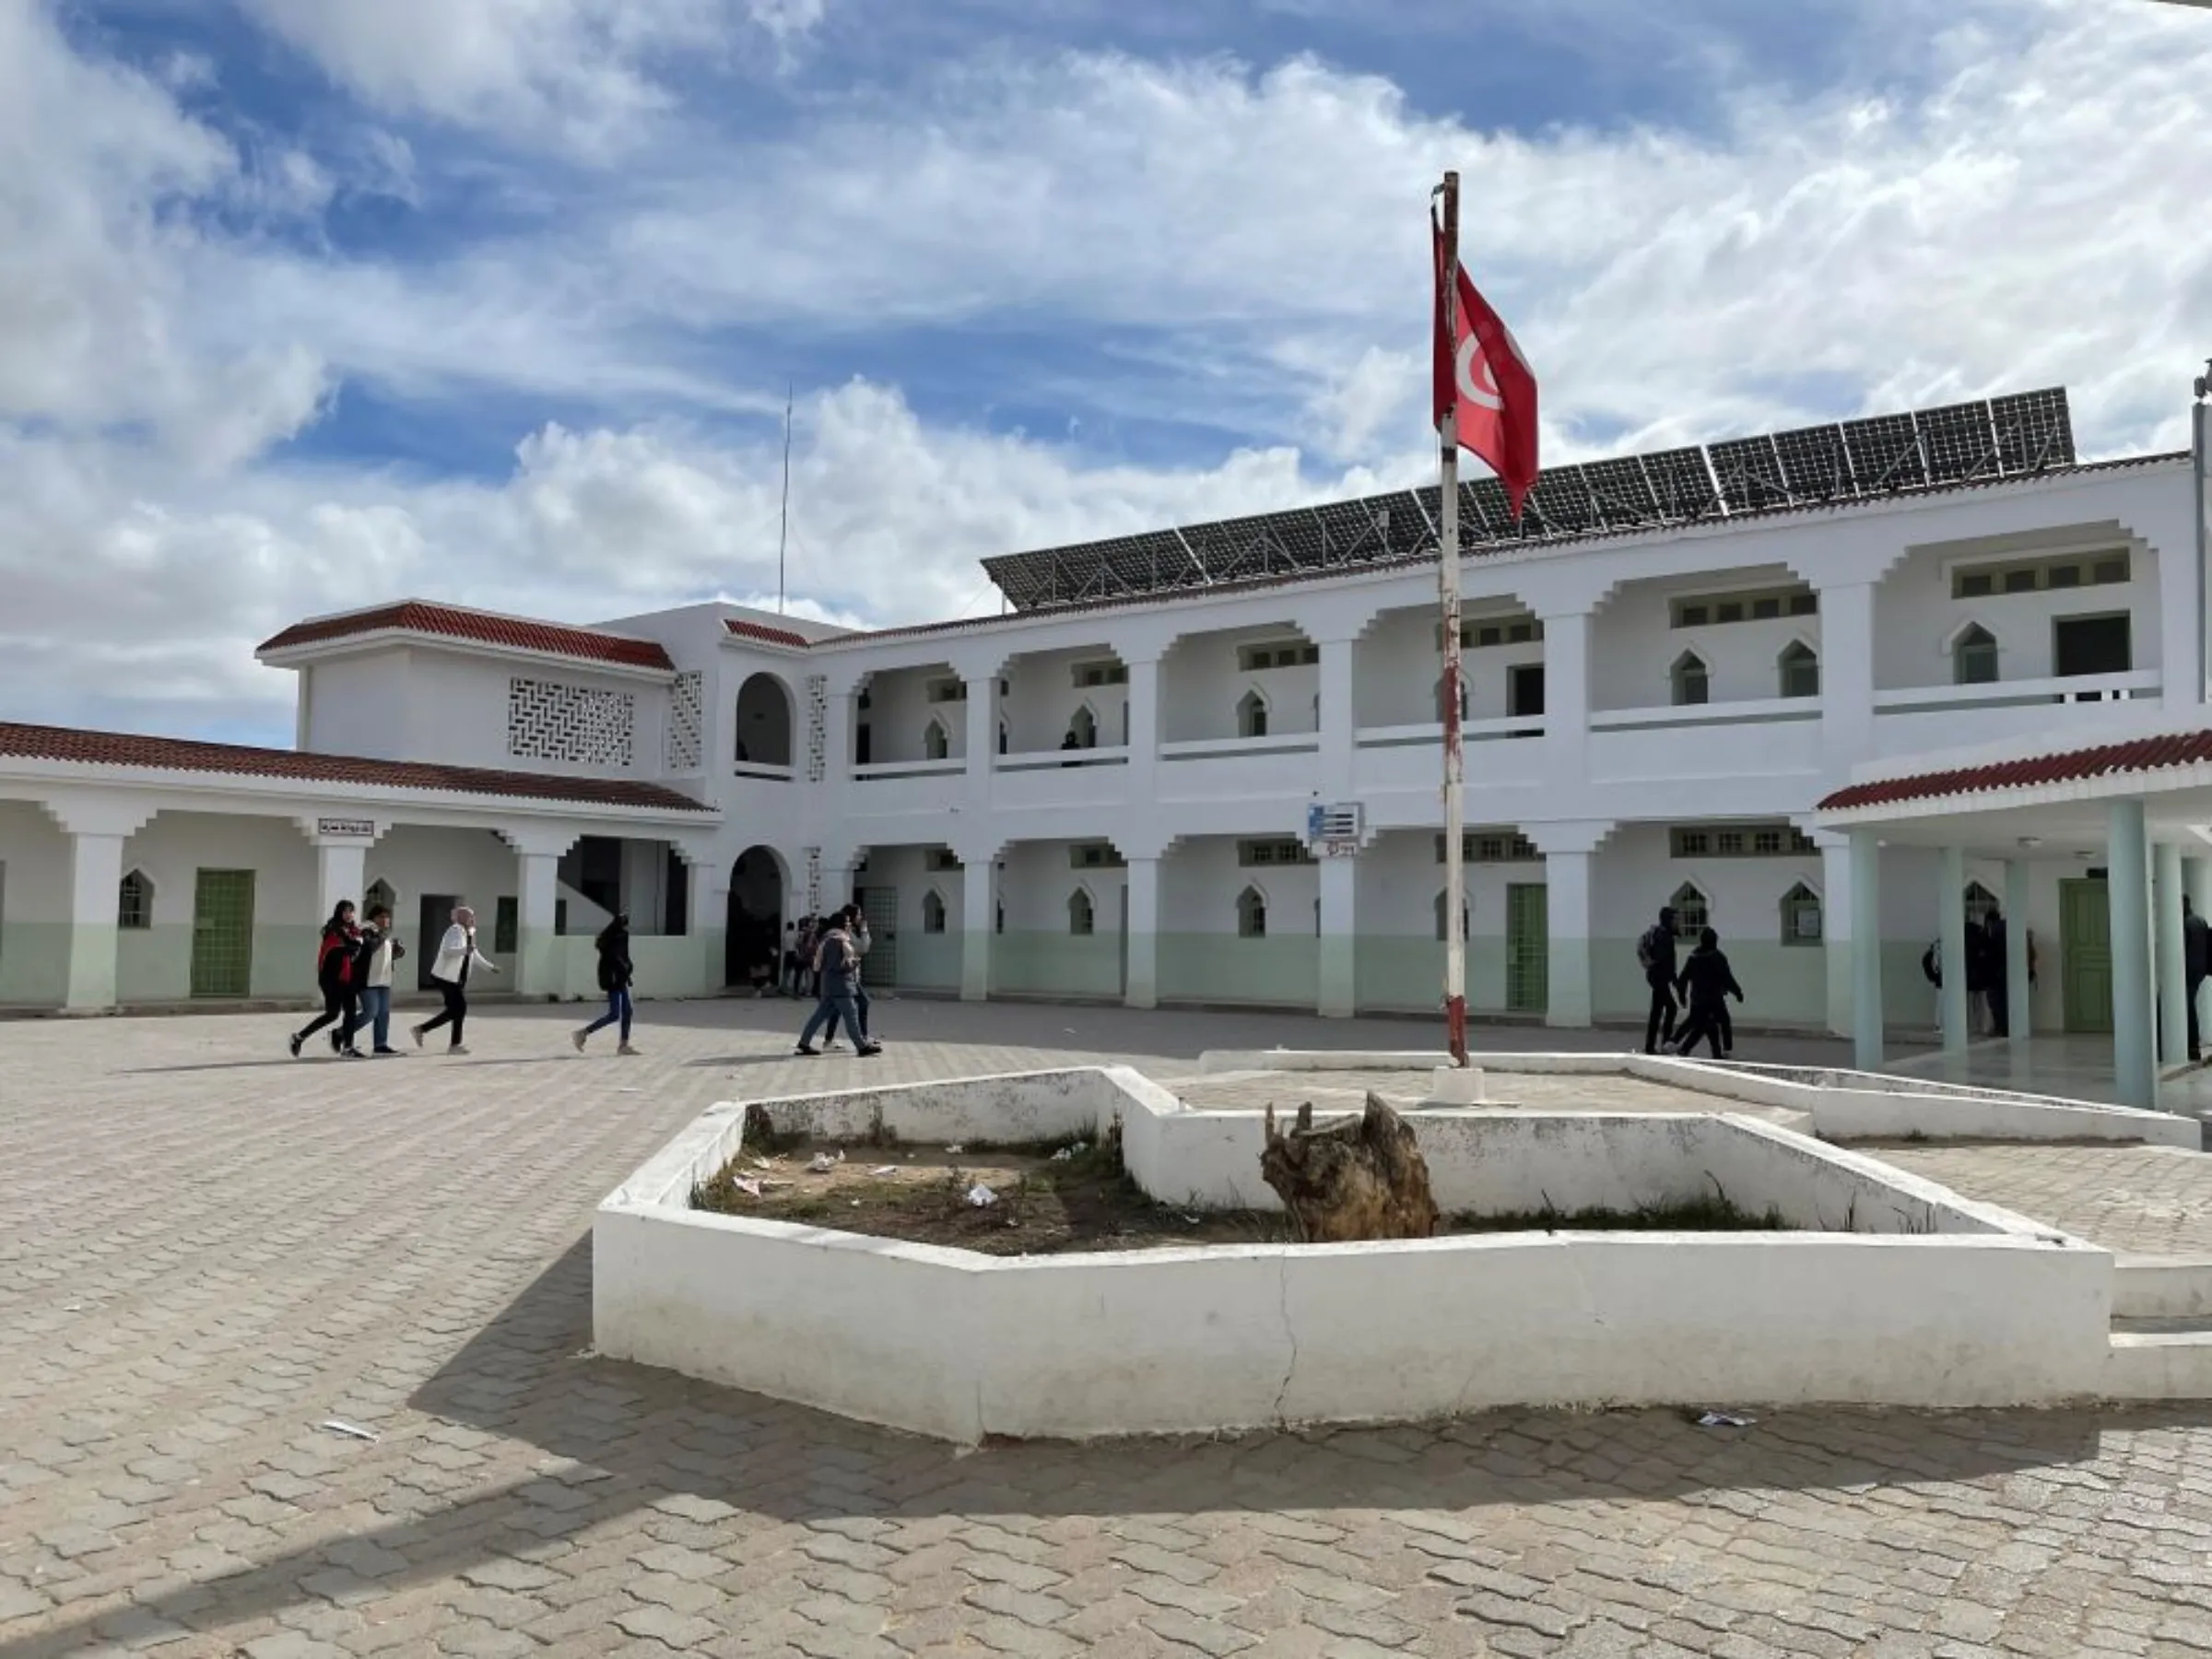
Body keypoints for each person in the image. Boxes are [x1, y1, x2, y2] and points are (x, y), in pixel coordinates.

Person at [413, 904, 496, 1055]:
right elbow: (449, 950)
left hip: (457, 978)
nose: (473, 919)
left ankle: (421, 1030)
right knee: (460, 1008)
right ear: (461, 918)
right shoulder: (455, 931)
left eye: (473, 916)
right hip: (446, 977)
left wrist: (490, 967)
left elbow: (473, 954)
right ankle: (454, 1045)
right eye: (470, 916)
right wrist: (465, 950)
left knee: (454, 1010)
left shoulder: (469, 932)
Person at [795, 913, 879, 1057]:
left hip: (831, 986)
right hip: (840, 987)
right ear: (840, 924)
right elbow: (834, 966)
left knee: (819, 1017)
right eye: (847, 922)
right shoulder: (836, 941)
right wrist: (852, 965)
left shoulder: (830, 939)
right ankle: (861, 1046)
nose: (849, 925)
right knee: (851, 1015)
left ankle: (804, 1043)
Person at [289, 900, 362, 1059]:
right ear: (339, 913)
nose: (349, 915)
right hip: (331, 979)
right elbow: (344, 948)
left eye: (351, 911)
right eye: (345, 912)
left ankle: (348, 1047)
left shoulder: (353, 930)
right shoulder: (333, 929)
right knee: (332, 1014)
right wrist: (353, 945)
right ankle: (299, 1037)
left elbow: (356, 946)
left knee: (350, 1011)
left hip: (347, 978)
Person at [1672, 926, 1745, 1060]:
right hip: (1713, 999)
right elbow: (1727, 978)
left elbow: (1683, 978)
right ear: (1713, 942)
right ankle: (1725, 1050)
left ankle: (1681, 1046)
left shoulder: (1693, 957)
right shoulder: (1717, 957)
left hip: (1697, 999)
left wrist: (1682, 996)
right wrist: (1738, 992)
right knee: (1722, 1022)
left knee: (1704, 1025)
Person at [573, 913, 640, 1055]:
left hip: (619, 978)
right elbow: (618, 957)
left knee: (627, 1010)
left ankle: (623, 1045)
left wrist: (627, 969)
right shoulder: (616, 938)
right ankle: (583, 1033)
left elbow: (623, 956)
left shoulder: (610, 937)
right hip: (614, 980)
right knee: (615, 1014)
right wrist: (625, 968)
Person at [356, 905, 406, 1055]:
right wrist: (384, 937)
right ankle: (340, 1033)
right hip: (367, 979)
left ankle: (380, 1045)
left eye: (387, 916)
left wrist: (397, 951)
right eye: (382, 916)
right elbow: (368, 948)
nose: (386, 920)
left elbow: (383, 956)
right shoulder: (366, 929)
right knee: (371, 1012)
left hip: (383, 979)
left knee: (383, 1013)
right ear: (374, 917)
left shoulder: (383, 934)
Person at [1637, 906, 1679, 1055]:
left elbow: (1667, 961)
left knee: (1657, 1012)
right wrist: (1674, 980)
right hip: (1658, 978)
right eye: (1676, 919)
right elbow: (1664, 961)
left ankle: (1650, 1047)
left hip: (1657, 977)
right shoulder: (1663, 936)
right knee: (1671, 1008)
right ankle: (1665, 1045)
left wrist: (1673, 979)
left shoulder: (1665, 934)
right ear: (1668, 920)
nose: (1678, 923)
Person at [2188, 896, 2210, 1064]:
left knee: (2187, 1008)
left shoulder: (2184, 923)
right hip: (2200, 970)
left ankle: (2191, 1046)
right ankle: (2193, 1048)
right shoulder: (2200, 920)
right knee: (2190, 1007)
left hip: (2188, 972)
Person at [1983, 909, 2010, 1038]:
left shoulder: (1994, 931)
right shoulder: (2010, 927)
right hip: (2011, 972)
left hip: (1997, 973)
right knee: (2006, 1001)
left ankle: (2002, 1028)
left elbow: (1992, 952)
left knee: (1995, 1001)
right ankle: (2008, 1028)